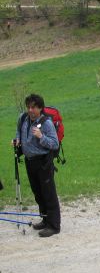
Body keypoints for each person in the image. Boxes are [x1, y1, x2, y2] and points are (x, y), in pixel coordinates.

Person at [12, 94, 61, 237]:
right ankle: (45, 220)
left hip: (43, 162)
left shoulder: (46, 123)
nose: (30, 110)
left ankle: (54, 226)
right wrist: (17, 141)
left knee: (48, 193)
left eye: (33, 107)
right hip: (29, 161)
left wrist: (41, 136)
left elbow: (54, 143)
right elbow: (18, 133)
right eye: (28, 107)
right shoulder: (22, 119)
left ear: (40, 108)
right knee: (38, 193)